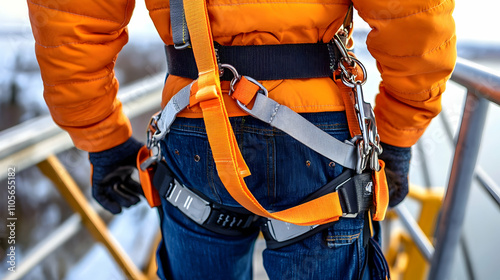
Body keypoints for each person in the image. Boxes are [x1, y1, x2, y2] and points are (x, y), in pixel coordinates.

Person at [28, 0, 456, 279]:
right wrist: (398, 134)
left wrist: (102, 140)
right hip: (318, 138)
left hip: (194, 124)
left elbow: (71, 22)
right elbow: (418, 21)